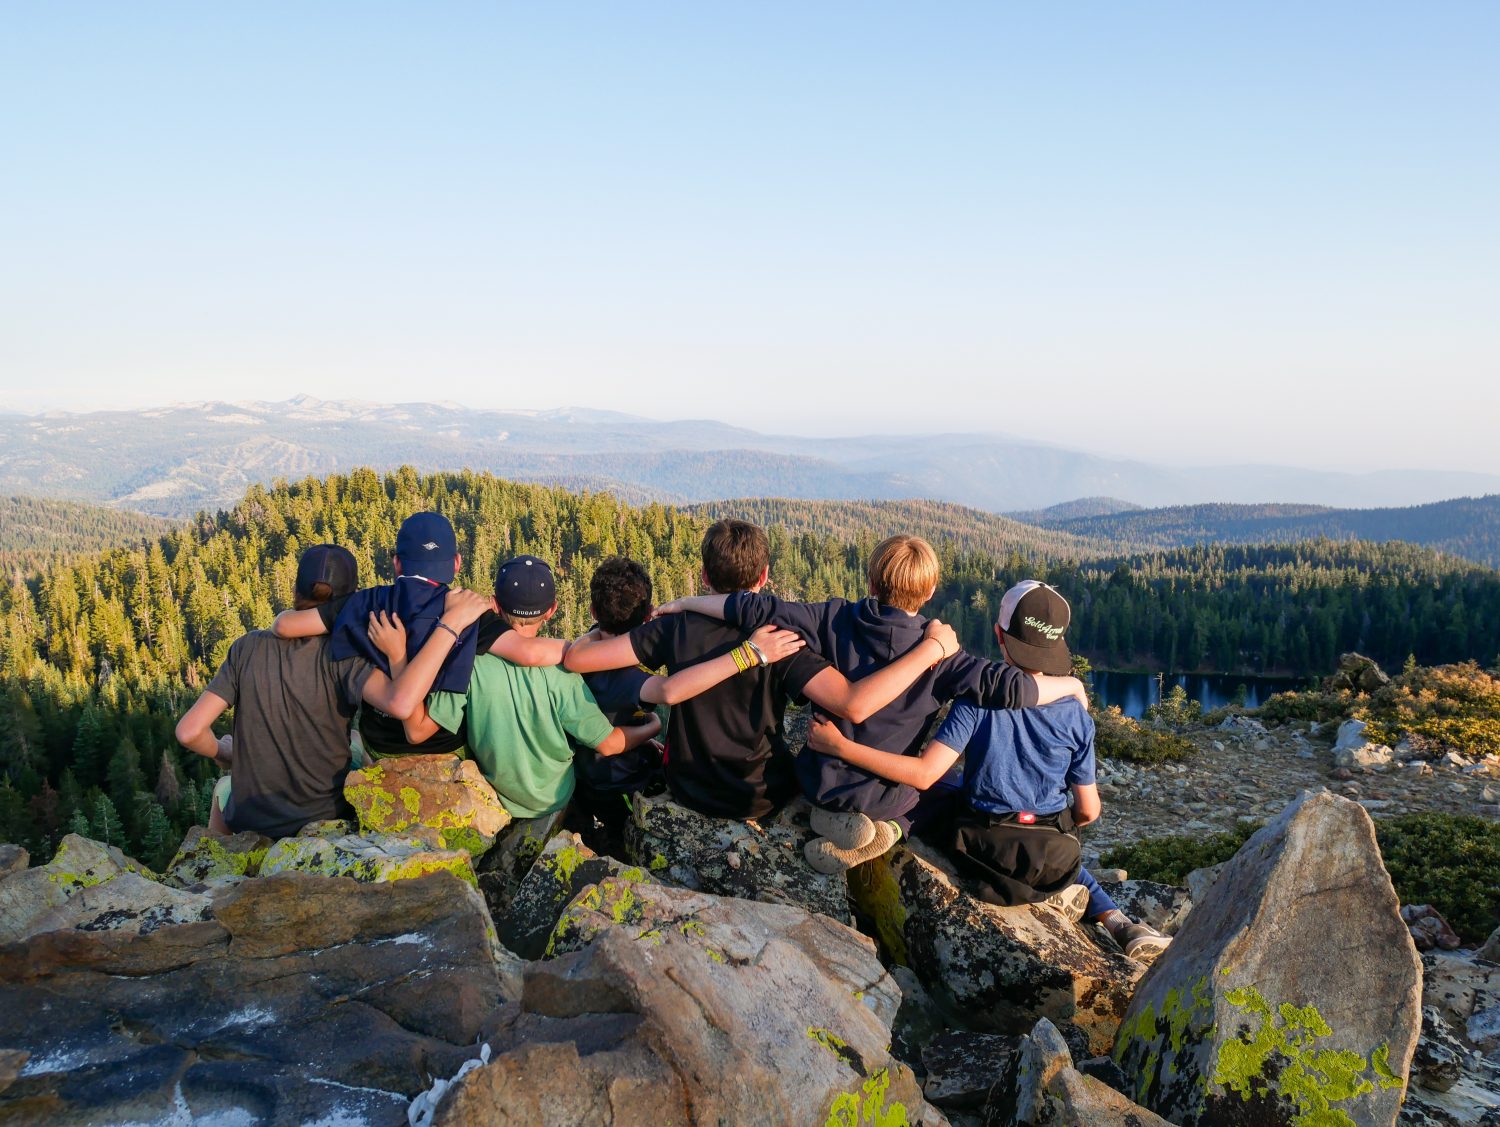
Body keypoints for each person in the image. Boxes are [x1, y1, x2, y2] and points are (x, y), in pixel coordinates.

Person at [650, 534, 1088, 871]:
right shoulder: (946, 658)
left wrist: (685, 602)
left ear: (872, 581)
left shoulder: (833, 617)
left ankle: (829, 820)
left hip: (820, 783)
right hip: (884, 797)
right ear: (931, 590)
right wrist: (1069, 686)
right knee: (942, 798)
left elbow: (755, 609)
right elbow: (1015, 689)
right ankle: (891, 830)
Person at [807, 579, 1171, 962]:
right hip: (1050, 862)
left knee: (933, 791)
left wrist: (843, 747)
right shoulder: (1076, 717)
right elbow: (1088, 812)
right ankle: (1117, 922)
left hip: (981, 851)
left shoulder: (978, 700)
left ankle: (891, 829)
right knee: (1045, 833)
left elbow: (924, 773)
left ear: (1000, 634)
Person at [565, 520, 965, 822]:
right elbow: (848, 702)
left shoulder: (672, 627)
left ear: (704, 577)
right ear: (763, 577)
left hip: (687, 786)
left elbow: (582, 659)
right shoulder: (782, 640)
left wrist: (593, 631)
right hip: (757, 795)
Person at [380, 555, 809, 821]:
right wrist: (654, 731)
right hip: (573, 788)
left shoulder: (467, 661)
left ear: (494, 604)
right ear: (552, 609)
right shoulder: (569, 675)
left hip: (509, 792)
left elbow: (421, 727)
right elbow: (612, 736)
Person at [174, 544, 493, 839]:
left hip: (251, 821)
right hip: (323, 817)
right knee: (360, 749)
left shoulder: (246, 648)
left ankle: (219, 867)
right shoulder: (347, 655)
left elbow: (189, 732)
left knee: (223, 790)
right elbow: (400, 702)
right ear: (349, 600)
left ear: (295, 590)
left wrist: (223, 752)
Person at [270, 511, 563, 760]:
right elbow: (530, 653)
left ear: (397, 563)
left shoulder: (365, 603)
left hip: (382, 748)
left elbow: (285, 626)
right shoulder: (468, 613)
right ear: (457, 563)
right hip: (446, 750)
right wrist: (593, 642)